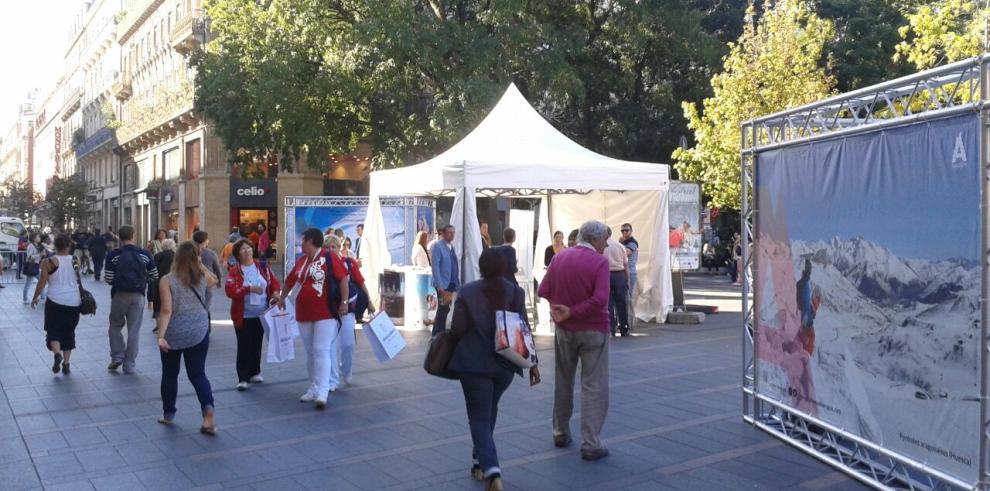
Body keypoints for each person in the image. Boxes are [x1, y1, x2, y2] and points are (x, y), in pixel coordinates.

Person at [449, 248, 540, 491]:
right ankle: (479, 461)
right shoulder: (515, 292)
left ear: (481, 266)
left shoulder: (467, 291)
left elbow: (457, 329)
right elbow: (524, 328)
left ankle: (492, 471)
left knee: (479, 416)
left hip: (473, 365)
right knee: (489, 410)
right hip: (504, 366)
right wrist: (534, 363)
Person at [537, 220, 611, 461]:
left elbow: (543, 290)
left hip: (564, 330)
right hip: (593, 329)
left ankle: (560, 431)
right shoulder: (599, 262)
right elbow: (601, 299)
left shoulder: (560, 258)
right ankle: (591, 442)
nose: (606, 244)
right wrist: (574, 311)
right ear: (595, 239)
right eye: (604, 240)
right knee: (593, 385)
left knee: (563, 379)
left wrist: (559, 309)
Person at [277, 228, 349, 409]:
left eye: (304, 241)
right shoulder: (302, 261)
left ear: (311, 242)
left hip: (325, 312)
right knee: (310, 352)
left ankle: (323, 391)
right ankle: (314, 386)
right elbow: (290, 280)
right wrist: (282, 297)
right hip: (304, 312)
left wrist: (344, 302)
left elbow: (343, 279)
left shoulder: (329, 257)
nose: (301, 244)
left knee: (321, 349)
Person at [155, 241, 218, 434]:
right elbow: (214, 281)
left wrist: (161, 336)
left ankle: (168, 414)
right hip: (199, 331)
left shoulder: (167, 280)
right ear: (195, 258)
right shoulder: (202, 277)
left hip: (174, 333)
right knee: (198, 373)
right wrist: (200, 264)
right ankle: (207, 408)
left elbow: (166, 310)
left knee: (170, 374)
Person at [225, 238, 280, 391]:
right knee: (244, 346)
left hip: (262, 314)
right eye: (243, 249)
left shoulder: (262, 266)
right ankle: (243, 378)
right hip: (243, 315)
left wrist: (275, 294)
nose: (247, 251)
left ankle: (255, 372)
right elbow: (230, 291)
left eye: (248, 248)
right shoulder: (234, 271)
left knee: (257, 344)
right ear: (238, 255)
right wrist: (248, 289)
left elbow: (274, 283)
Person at [105, 225, 159, 374]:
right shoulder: (144, 254)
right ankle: (129, 364)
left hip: (119, 295)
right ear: (133, 236)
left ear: (119, 237)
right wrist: (142, 280)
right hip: (138, 295)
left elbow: (108, 278)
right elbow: (154, 275)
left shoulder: (113, 255)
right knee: (134, 330)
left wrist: (117, 281)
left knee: (115, 326)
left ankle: (117, 357)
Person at [325, 235, 375, 387]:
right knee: (330, 345)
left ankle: (346, 370)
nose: (330, 250)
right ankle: (332, 379)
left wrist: (370, 301)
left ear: (339, 248)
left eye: (333, 246)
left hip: (347, 310)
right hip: (328, 311)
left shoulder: (349, 263)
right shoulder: (322, 265)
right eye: (327, 247)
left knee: (348, 344)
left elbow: (360, 282)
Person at [31, 234, 82, 375]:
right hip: (74, 301)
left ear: (55, 246)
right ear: (69, 246)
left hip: (55, 301)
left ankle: (57, 354)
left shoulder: (48, 262)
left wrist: (35, 297)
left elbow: (42, 282)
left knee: (53, 330)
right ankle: (66, 364)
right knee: (69, 332)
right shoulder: (75, 259)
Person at [430, 225, 459, 335]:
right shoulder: (438, 246)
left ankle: (438, 331)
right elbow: (435, 266)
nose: (452, 235)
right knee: (443, 308)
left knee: (446, 308)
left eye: (453, 232)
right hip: (443, 283)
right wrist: (439, 284)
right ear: (443, 233)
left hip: (451, 283)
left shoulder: (452, 247)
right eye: (449, 232)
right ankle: (438, 332)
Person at [604, 227, 630, 337]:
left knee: (608, 302)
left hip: (606, 275)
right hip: (619, 274)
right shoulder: (620, 246)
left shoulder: (602, 247)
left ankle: (611, 328)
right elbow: (625, 265)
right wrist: (627, 279)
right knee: (621, 302)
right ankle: (624, 327)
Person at [151, 239, 177, 323]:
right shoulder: (176, 256)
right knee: (172, 302)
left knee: (158, 303)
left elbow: (154, 270)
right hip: (174, 282)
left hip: (160, 282)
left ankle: (158, 324)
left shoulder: (158, 255)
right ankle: (170, 322)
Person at [193, 231, 224, 297]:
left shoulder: (189, 252)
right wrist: (219, 282)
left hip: (192, 283)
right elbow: (217, 269)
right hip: (207, 282)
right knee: (206, 305)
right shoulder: (211, 253)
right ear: (205, 240)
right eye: (207, 239)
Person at [22, 233, 45, 304]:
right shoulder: (31, 246)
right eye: (38, 236)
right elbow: (30, 256)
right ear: (34, 238)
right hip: (31, 267)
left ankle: (42, 297)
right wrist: (39, 255)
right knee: (28, 283)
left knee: (42, 281)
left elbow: (37, 256)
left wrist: (42, 255)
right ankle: (25, 299)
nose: (39, 238)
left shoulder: (37, 246)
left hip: (36, 266)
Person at [619, 223, 639, 300]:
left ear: (631, 231)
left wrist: (620, 244)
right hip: (623, 271)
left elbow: (625, 253)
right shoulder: (625, 242)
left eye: (626, 230)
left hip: (630, 272)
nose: (624, 232)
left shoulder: (633, 242)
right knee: (623, 295)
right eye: (622, 231)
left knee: (627, 296)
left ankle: (629, 312)